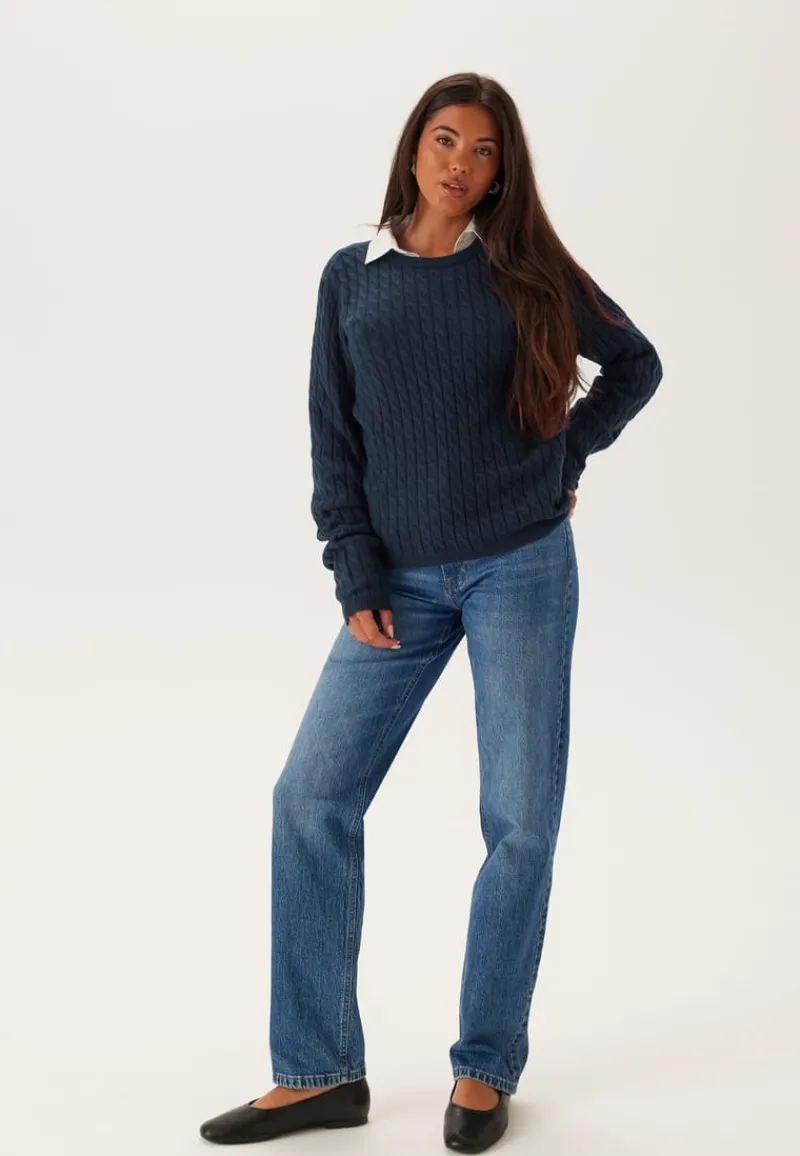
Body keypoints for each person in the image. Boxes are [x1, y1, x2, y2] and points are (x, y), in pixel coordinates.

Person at [199, 71, 663, 1152]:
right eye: (445, 139)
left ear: (501, 172)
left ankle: (484, 1066)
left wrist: (564, 456)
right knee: (310, 796)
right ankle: (318, 1071)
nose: (460, 163)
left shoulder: (525, 270)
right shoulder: (350, 279)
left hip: (520, 569)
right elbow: (333, 437)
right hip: (397, 585)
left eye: (483, 150)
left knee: (518, 821)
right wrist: (355, 570)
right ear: (413, 147)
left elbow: (634, 365)